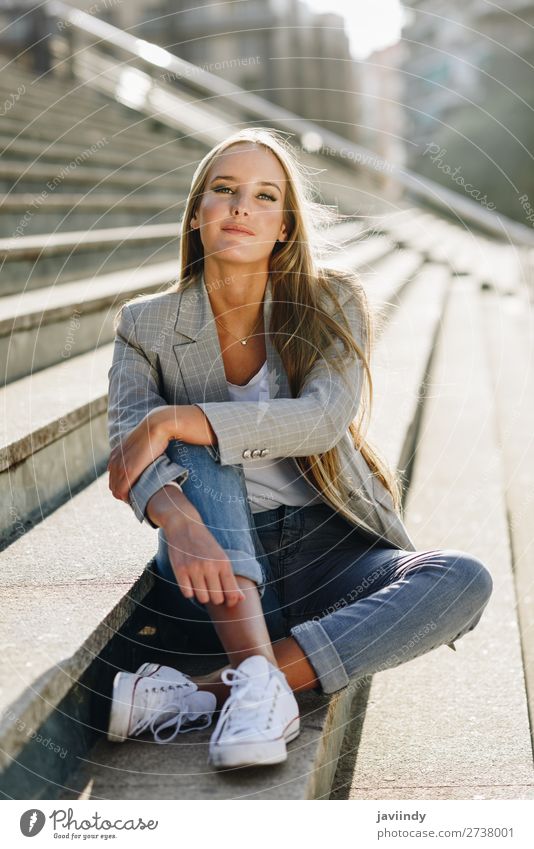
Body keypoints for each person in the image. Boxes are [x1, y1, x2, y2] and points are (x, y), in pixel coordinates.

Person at [106, 128, 493, 770]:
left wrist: (176, 417)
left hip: (328, 554)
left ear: (284, 226)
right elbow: (128, 450)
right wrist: (176, 520)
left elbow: (321, 420)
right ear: (198, 212)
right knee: (202, 454)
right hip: (213, 561)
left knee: (461, 579)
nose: (240, 207)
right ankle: (258, 679)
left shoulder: (330, 299)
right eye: (223, 191)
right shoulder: (144, 323)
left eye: (263, 197)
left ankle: (218, 691)